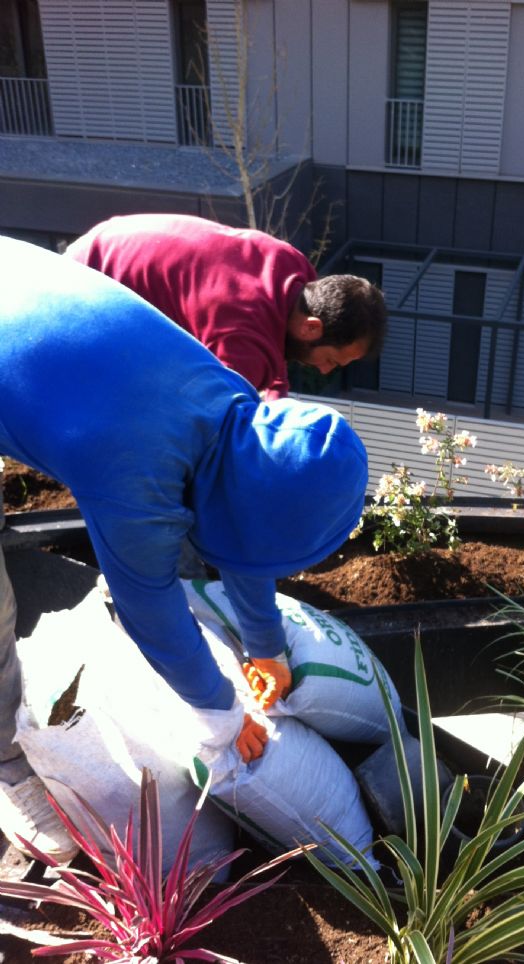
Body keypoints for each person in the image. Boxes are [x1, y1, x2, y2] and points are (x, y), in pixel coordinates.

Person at [0, 236, 368, 858]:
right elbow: (149, 606)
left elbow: (246, 533)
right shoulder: (136, 466)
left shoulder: (231, 403)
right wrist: (220, 714)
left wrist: (265, 643)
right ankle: (10, 767)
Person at [66, 213, 387, 399]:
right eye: (330, 360)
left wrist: (277, 396)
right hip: (85, 287)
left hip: (111, 236)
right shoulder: (241, 339)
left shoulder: (293, 268)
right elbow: (211, 424)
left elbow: (271, 349)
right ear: (311, 327)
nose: (325, 370)